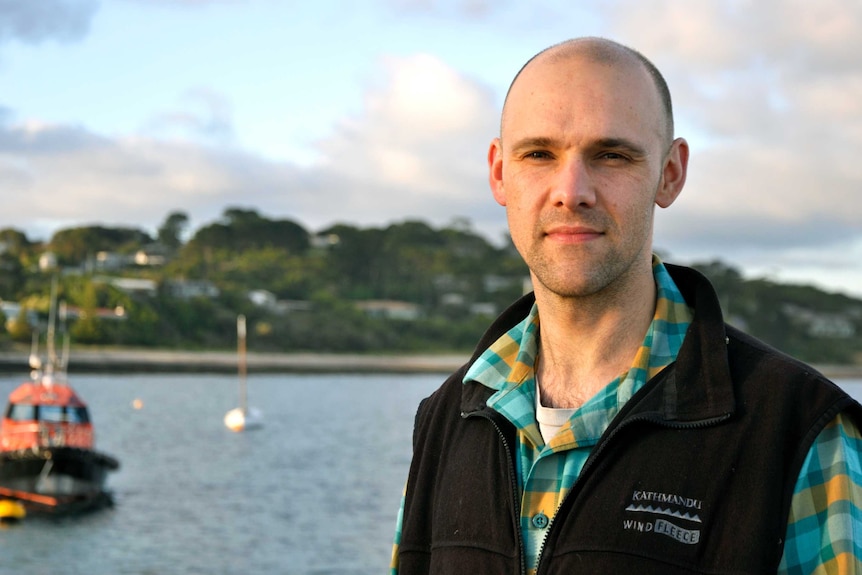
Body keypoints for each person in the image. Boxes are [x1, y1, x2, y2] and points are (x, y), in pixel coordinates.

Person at [390, 36, 862, 574]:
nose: (572, 191)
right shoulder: (446, 418)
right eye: (539, 154)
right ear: (500, 172)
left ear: (670, 173)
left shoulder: (800, 429)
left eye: (611, 155)